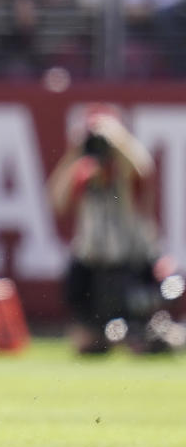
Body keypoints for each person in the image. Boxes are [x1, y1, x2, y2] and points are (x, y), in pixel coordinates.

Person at [47, 104, 169, 354]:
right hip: (94, 265)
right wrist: (75, 153)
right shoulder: (84, 173)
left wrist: (117, 140)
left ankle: (145, 333)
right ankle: (99, 333)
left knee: (145, 339)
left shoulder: (126, 171)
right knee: (87, 344)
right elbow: (56, 200)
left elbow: (143, 169)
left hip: (131, 263)